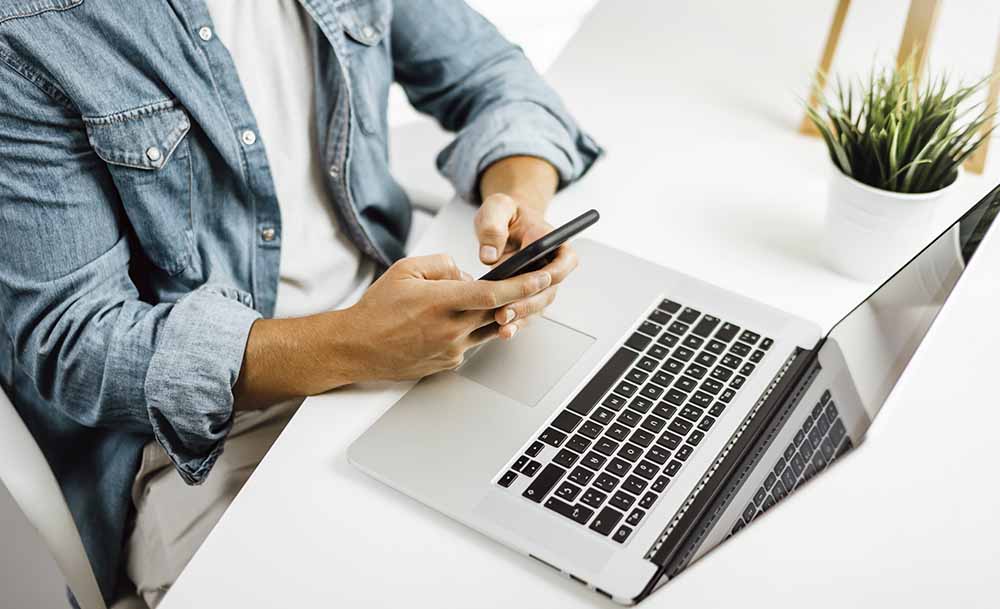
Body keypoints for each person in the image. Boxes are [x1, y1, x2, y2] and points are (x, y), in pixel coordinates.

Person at [0, 0, 600, 607]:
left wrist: (518, 200)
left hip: (413, 340)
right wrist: (356, 345)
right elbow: (75, 342)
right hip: (203, 441)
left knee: (576, 540)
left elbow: (494, 76)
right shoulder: (27, 30)